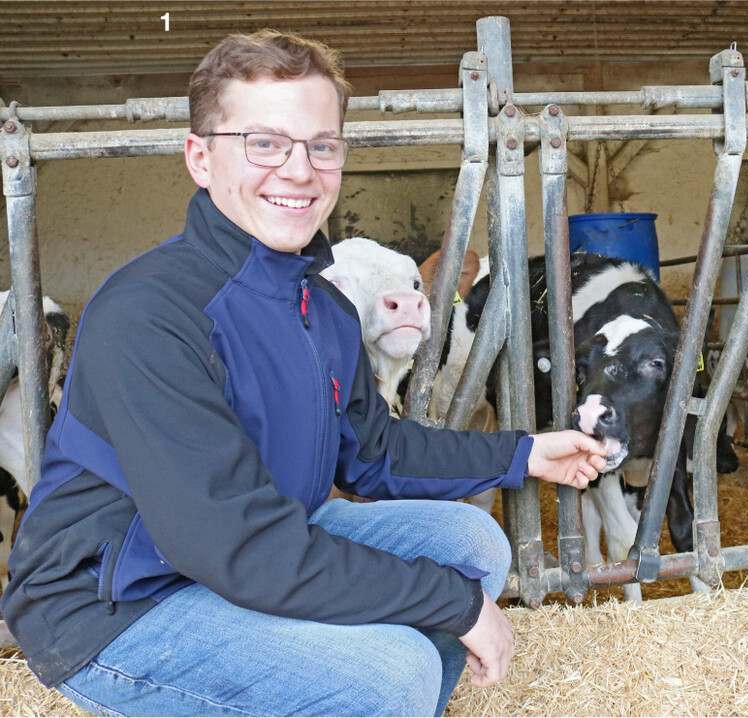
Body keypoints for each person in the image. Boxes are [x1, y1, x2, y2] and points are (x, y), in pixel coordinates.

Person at [1, 30, 608, 717]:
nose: (299, 171)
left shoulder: (319, 303)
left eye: (322, 145)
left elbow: (375, 451)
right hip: (119, 601)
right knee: (393, 673)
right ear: (199, 158)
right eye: (264, 143)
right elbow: (236, 543)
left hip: (245, 559)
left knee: (470, 544)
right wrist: (451, 605)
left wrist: (525, 452)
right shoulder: (149, 312)